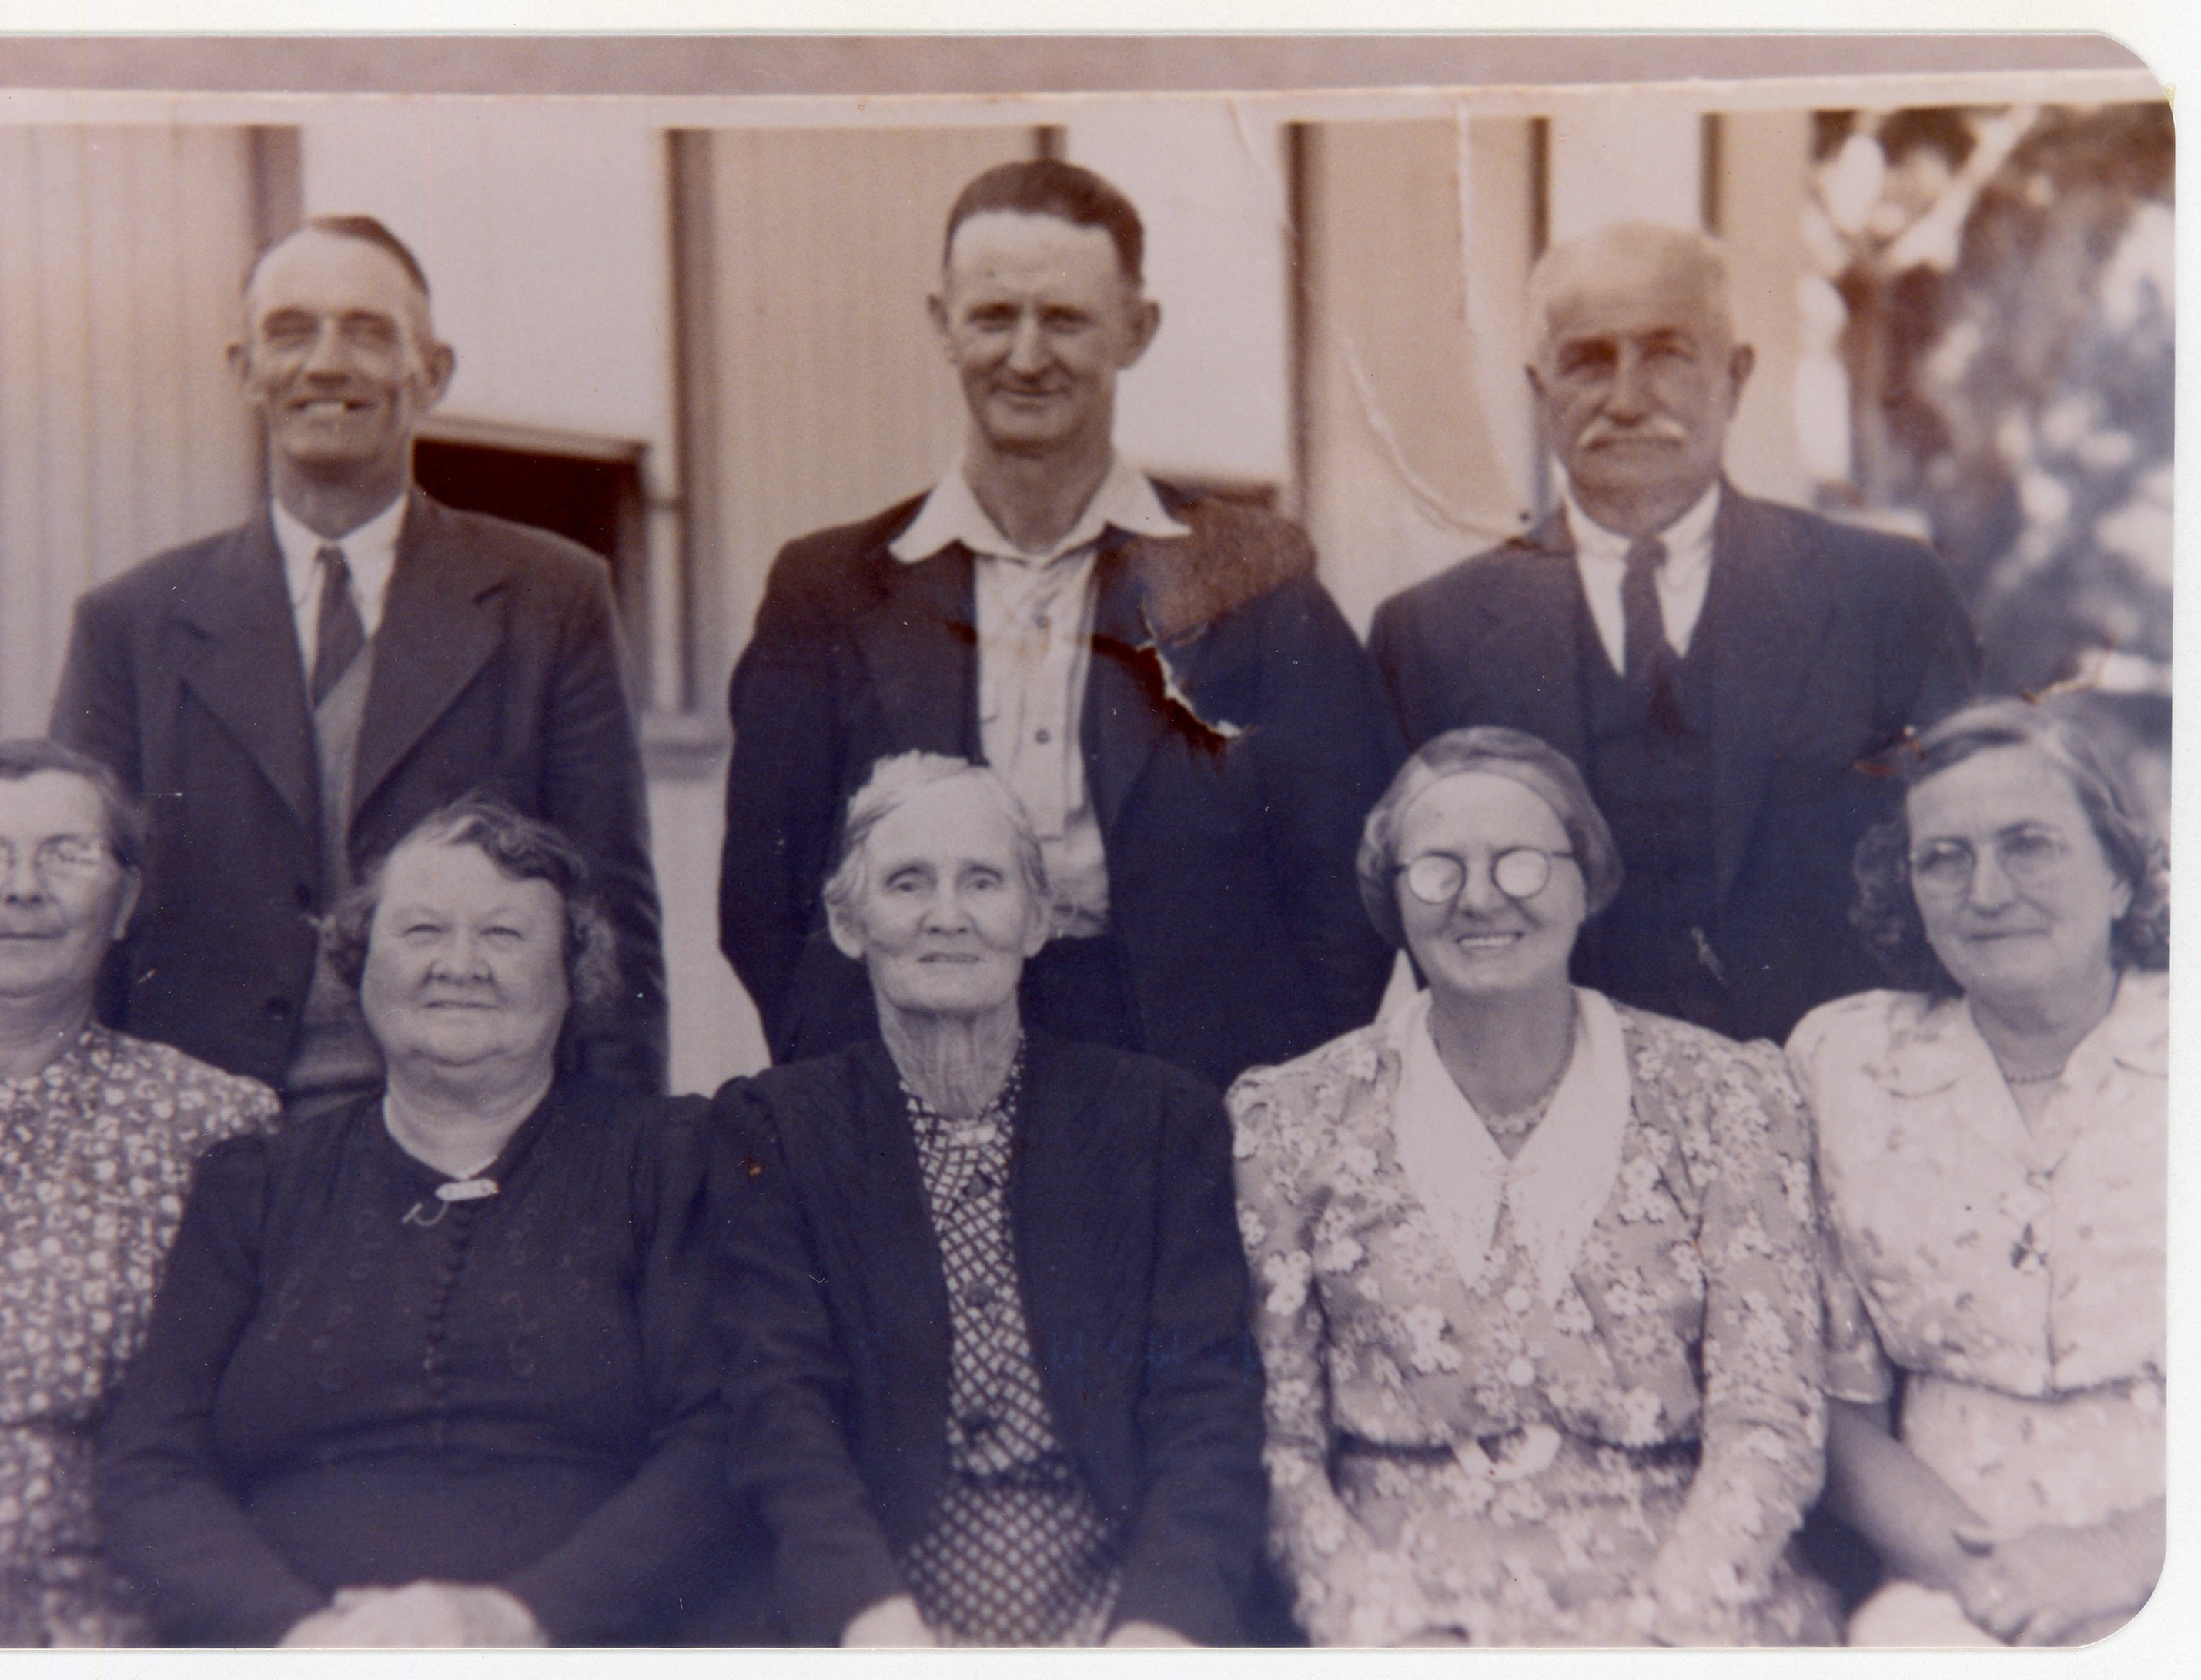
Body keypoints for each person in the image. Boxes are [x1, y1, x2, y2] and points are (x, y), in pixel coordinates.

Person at [721, 158, 1400, 1093]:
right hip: (914, 1070)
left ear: (1136, 330)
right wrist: (853, 1079)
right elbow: (765, 898)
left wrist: (1266, 1089)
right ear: (941, 324)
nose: (1028, 356)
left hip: (1184, 1081)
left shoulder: (1253, 577)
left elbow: (1348, 880)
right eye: (994, 316)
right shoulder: (828, 588)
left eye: (1067, 319)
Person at [1229, 727, 1834, 1645]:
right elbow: (1278, 1444)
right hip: (1402, 1604)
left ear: (1585, 882)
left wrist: (1660, 1628)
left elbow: (1769, 1416)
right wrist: (1391, 1629)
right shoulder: (1288, 1118)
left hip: (1685, 1595)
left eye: (1521, 862)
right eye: (1437, 869)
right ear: (1392, 900)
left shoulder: (1726, 1097)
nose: (1479, 898)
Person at [51, 214, 665, 1116]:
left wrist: (627, 1156)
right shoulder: (130, 622)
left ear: (432, 373)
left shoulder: (551, 598)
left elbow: (610, 916)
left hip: (469, 1132)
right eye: (290, 332)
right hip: (201, 1134)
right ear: (244, 371)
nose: (326, 364)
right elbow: (78, 914)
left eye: (368, 332)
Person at [96, 795, 738, 1646]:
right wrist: (299, 1633)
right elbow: (152, 1463)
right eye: (422, 931)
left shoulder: (669, 1164)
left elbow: (718, 1441)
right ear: (359, 962)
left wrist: (518, 1619)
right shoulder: (254, 1184)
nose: (459, 965)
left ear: (573, 973)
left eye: (504, 934)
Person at [1368, 222, 1978, 1046]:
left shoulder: (1889, 595)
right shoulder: (1425, 637)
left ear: (1736, 377)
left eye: (1666, 355)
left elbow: (1969, 864)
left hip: (1840, 1089)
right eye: (1588, 361)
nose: (1626, 399)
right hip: (1553, 1104)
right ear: (1539, 389)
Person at [715, 754, 1266, 1646]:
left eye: (982, 880)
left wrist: (1159, 1626)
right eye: (907, 883)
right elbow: (779, 1407)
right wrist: (869, 1617)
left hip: (1122, 1603)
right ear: (848, 922)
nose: (947, 915)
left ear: (1036, 917)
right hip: (877, 1608)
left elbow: (1207, 1410)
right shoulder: (776, 1128)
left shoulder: (1159, 1121)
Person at [0, 741, 279, 1645]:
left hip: (103, 1606)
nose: (23, 888)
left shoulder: (213, 1123)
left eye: (66, 855)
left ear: (122, 903)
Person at [1789, 699, 2166, 1646]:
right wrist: (1984, 1576)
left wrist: (2117, 1558)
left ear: (2121, 874)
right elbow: (1835, 1406)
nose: (1986, 891)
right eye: (1944, 858)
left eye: (2029, 845)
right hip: (1950, 1568)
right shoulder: (1844, 1063)